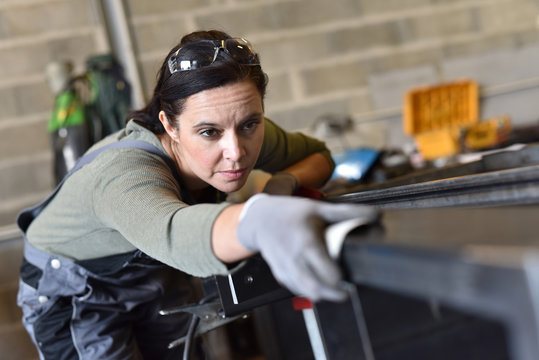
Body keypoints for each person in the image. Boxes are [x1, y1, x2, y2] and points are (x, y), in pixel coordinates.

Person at [17, 30, 377, 359]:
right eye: (208, 132)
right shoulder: (124, 172)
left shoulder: (235, 127)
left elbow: (318, 156)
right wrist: (256, 220)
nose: (235, 151)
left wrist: (284, 184)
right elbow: (173, 231)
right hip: (76, 285)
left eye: (250, 123)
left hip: (150, 270)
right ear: (170, 126)